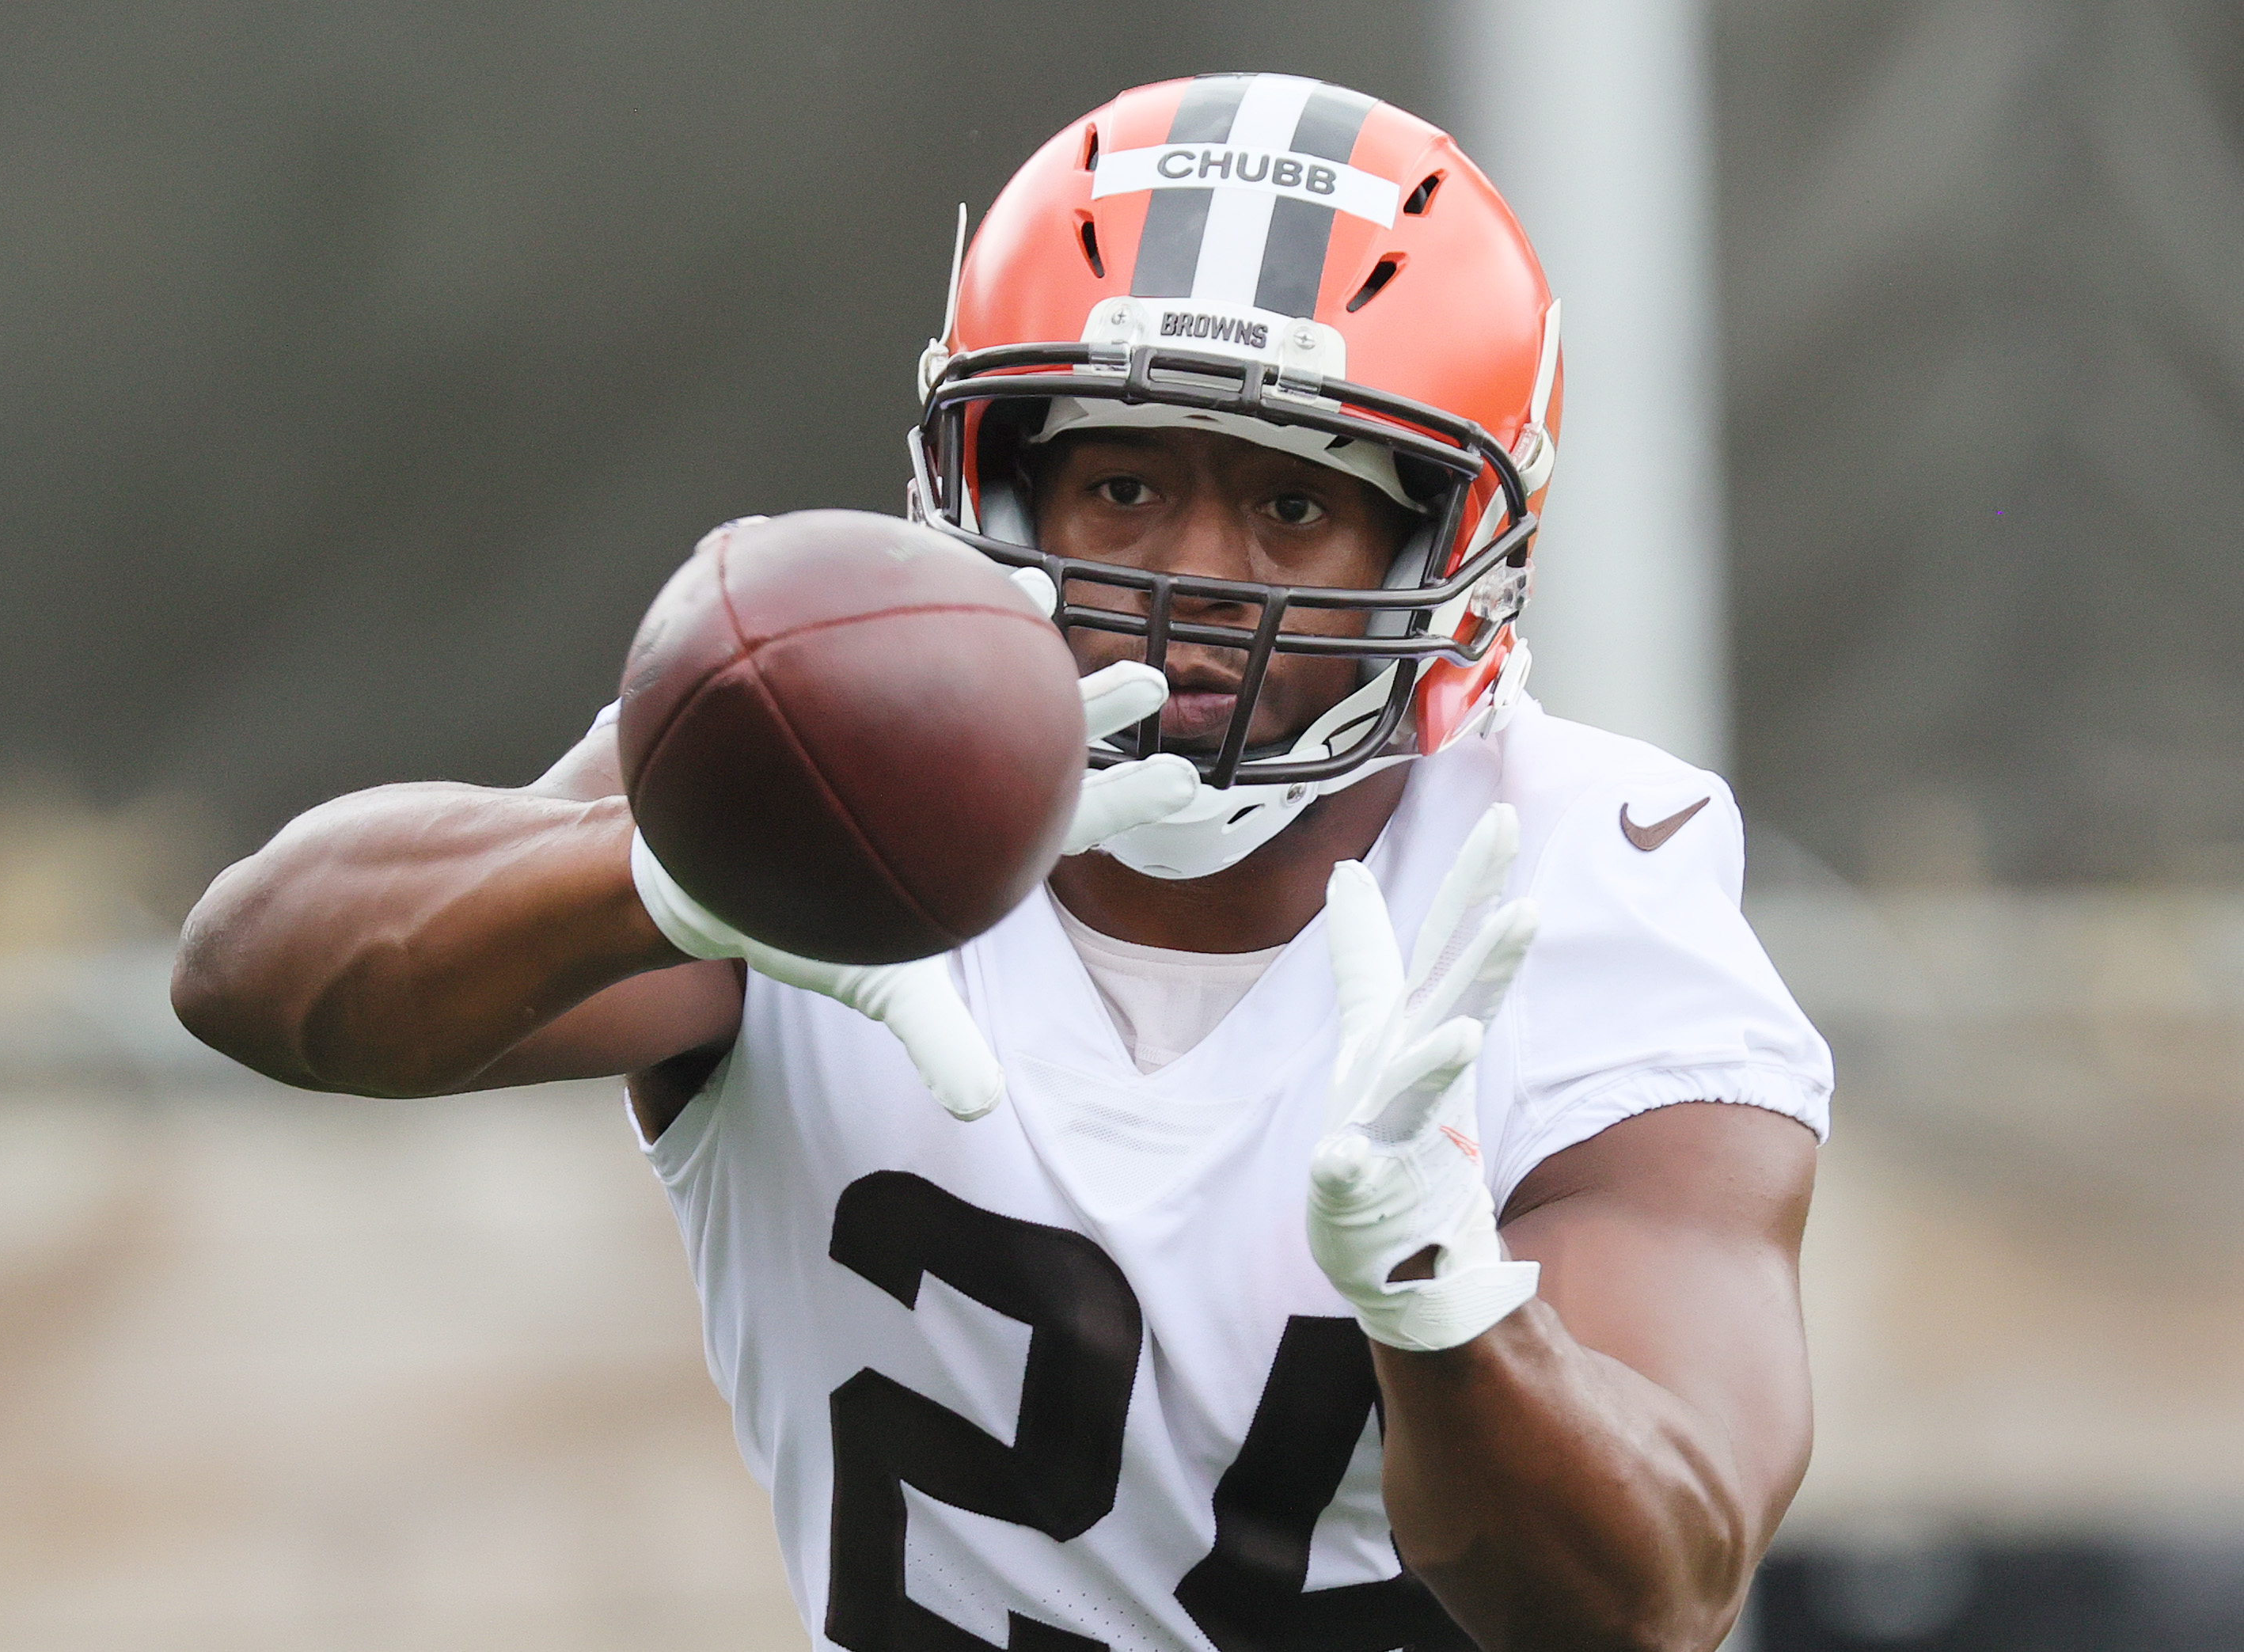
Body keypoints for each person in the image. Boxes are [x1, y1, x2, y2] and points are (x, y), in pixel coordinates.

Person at [174, 74, 1832, 1652]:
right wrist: (673, 882)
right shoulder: (832, 760)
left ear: (1448, 554)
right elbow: (254, 978)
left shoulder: (1582, 886)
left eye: (1293, 509)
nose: (1192, 582)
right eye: (1119, 483)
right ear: (988, 489)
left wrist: (1440, 1298)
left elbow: (1651, 1603)